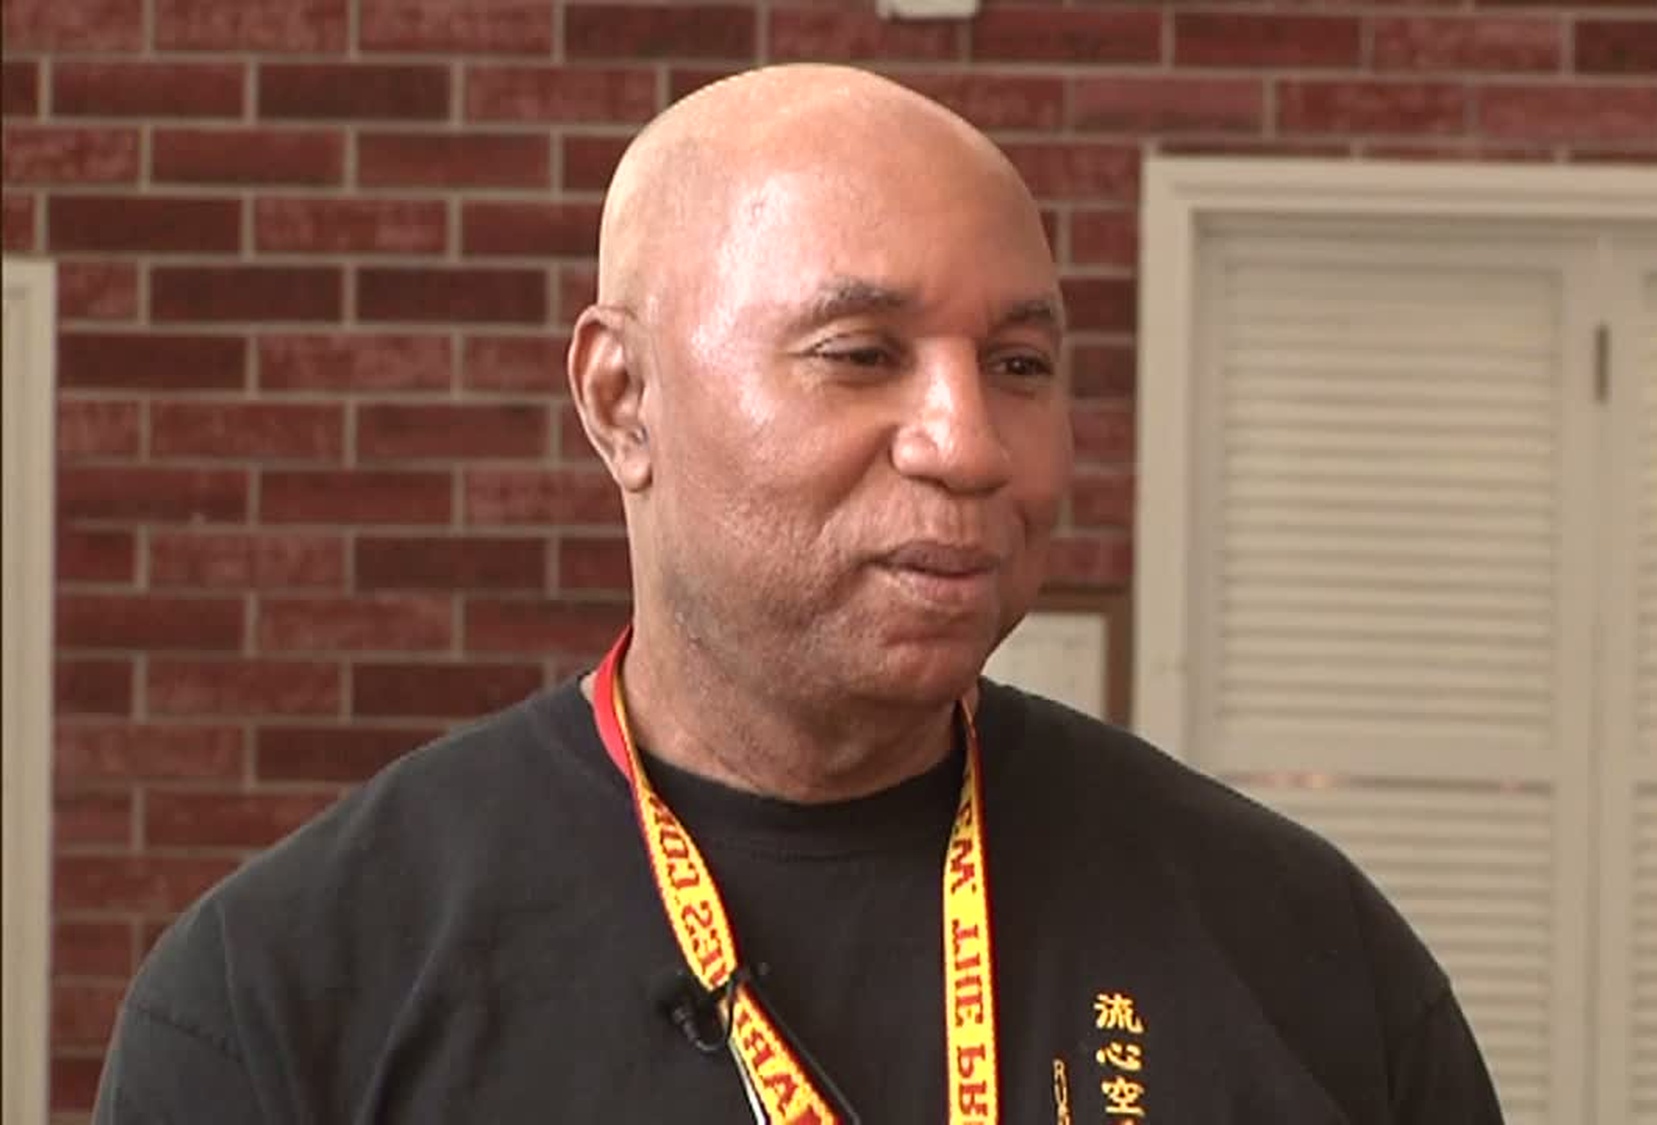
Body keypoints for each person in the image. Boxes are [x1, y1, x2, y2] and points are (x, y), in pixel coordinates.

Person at [91, 64, 1505, 1124]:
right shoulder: (291, 998)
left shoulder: (1305, 954)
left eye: (1018, 365)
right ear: (622, 398)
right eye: (860, 353)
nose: (967, 442)